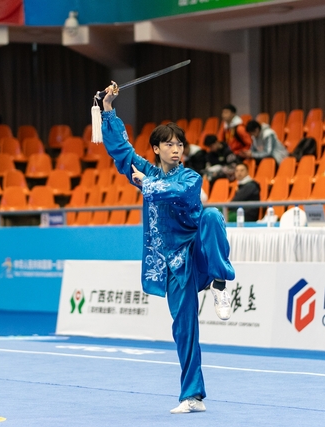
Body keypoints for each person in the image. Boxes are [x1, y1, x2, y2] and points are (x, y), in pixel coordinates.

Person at [100, 82, 235, 414]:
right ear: (156, 149)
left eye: (180, 145)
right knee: (184, 326)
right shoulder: (144, 170)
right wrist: (107, 109)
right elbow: (121, 151)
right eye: (169, 145)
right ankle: (193, 396)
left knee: (213, 216)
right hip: (172, 263)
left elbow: (173, 192)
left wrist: (147, 185)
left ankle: (220, 284)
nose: (176, 150)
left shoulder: (190, 177)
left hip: (198, 253)